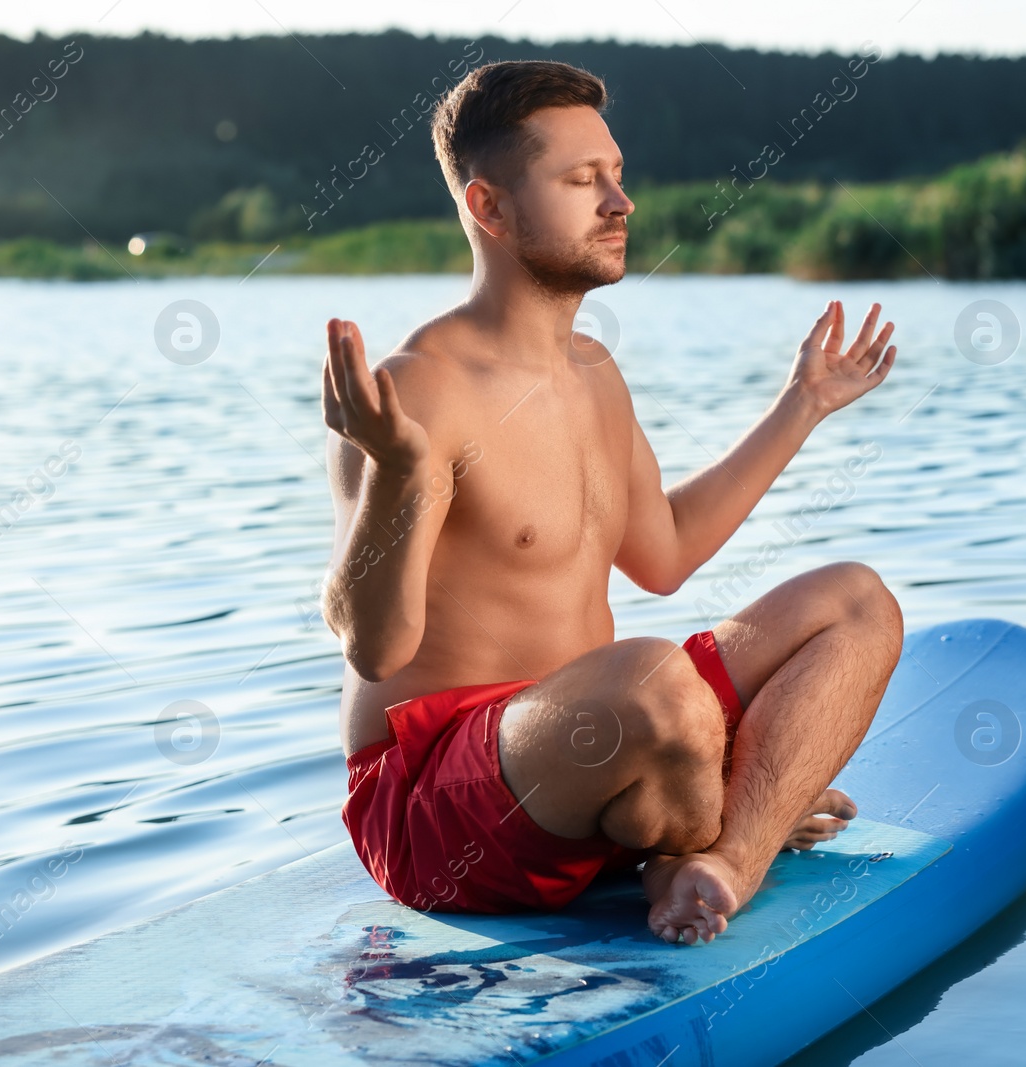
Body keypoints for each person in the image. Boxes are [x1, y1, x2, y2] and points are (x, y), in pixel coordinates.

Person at [320, 58, 903, 947]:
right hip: (439, 810)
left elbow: (663, 555)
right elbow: (374, 644)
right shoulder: (417, 392)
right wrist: (399, 473)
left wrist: (802, 404)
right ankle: (731, 812)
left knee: (856, 602)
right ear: (490, 208)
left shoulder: (593, 372)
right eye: (582, 180)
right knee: (659, 684)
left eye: (617, 176)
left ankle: (721, 860)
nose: (620, 203)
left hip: (603, 753)